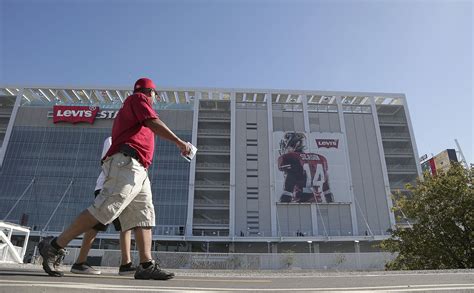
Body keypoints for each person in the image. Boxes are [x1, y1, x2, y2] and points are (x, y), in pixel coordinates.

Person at [38, 77, 191, 280]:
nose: (155, 99)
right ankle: (54, 245)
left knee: (144, 216)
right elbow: (153, 122)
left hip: (140, 169)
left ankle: (146, 264)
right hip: (127, 162)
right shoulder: (137, 99)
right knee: (105, 209)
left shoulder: (136, 108)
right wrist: (179, 142)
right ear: (150, 92)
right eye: (156, 95)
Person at [70, 137, 136, 276]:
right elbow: (108, 163)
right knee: (96, 225)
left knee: (126, 225)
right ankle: (79, 262)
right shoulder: (112, 140)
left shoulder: (134, 141)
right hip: (107, 188)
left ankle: (126, 264)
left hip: (124, 189)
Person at [277, 132, 334, 203]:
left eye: (286, 143)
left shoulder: (290, 157)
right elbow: (326, 187)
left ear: (296, 144)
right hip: (317, 201)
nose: (285, 146)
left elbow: (289, 184)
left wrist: (284, 202)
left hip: (300, 201)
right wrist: (331, 203)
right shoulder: (321, 158)